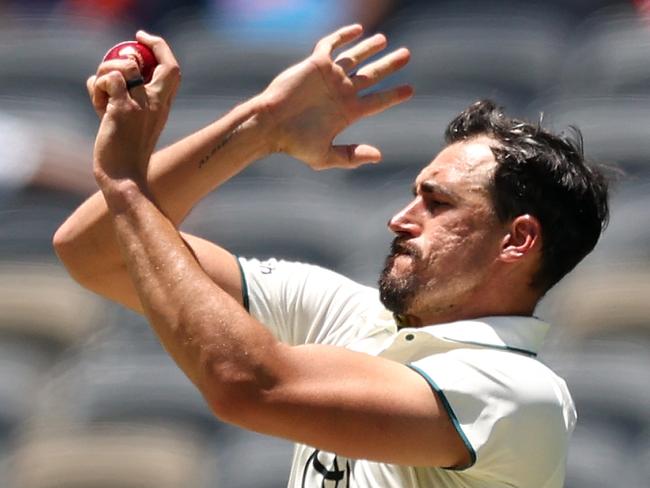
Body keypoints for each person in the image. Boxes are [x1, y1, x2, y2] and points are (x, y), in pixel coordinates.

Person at [53, 25, 609, 487]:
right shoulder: (348, 315)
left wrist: (127, 184)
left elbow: (247, 385)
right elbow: (95, 252)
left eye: (437, 202)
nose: (400, 217)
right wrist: (261, 126)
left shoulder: (517, 392)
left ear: (518, 240)